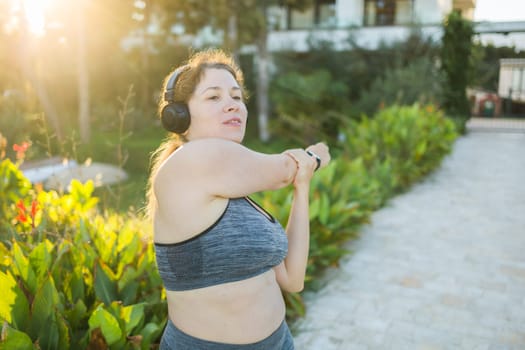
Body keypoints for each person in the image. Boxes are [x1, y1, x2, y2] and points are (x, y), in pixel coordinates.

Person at [146, 49, 330, 349]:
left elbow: (292, 279)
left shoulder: (238, 192)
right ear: (180, 118)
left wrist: (303, 186)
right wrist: (313, 157)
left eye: (236, 97)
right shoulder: (190, 161)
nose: (232, 105)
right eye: (214, 97)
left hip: (279, 342)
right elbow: (284, 170)